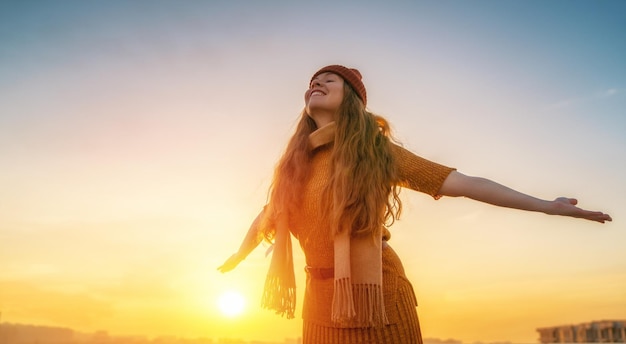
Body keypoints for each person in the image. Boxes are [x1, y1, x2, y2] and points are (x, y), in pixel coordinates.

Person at [218, 65, 612, 344]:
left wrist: (545, 205)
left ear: (351, 98)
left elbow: (460, 183)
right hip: (320, 306)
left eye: (328, 80)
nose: (315, 84)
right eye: (311, 83)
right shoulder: (296, 165)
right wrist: (239, 254)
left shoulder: (375, 151)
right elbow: (268, 215)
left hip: (381, 302)